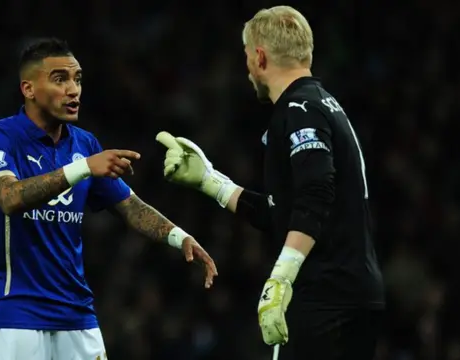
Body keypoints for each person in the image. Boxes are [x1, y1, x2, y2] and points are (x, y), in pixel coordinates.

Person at [156, 6, 384, 360]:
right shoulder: (325, 104)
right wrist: (210, 181)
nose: (247, 70)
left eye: (247, 57)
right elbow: (289, 213)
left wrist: (281, 279)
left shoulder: (298, 108)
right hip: (355, 294)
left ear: (259, 57)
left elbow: (315, 194)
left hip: (322, 298)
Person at [0, 37, 218, 360]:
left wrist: (179, 236)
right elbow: (9, 197)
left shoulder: (84, 144)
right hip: (15, 317)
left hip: (78, 319)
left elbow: (129, 207)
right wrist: (82, 168)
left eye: (78, 79)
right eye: (60, 79)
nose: (73, 89)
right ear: (28, 89)